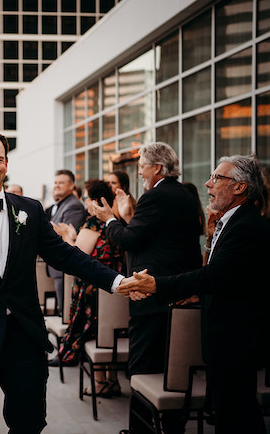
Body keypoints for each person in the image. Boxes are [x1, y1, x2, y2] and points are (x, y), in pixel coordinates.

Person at [0, 130, 128, 434]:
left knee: (30, 422)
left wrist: (116, 281)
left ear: (5, 164)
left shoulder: (29, 209)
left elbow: (65, 256)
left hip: (23, 338)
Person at [119, 154, 270, 434]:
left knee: (239, 415)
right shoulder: (232, 221)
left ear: (239, 188)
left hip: (237, 339)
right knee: (231, 412)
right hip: (225, 337)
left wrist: (158, 285)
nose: (207, 184)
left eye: (217, 178)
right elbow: (227, 277)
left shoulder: (248, 226)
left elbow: (215, 275)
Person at [93, 142, 203, 434]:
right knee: (172, 372)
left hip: (152, 297)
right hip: (176, 294)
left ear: (157, 168)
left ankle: (141, 429)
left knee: (142, 368)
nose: (139, 170)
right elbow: (151, 239)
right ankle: (168, 428)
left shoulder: (156, 196)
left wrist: (111, 220)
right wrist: (128, 217)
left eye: (141, 165)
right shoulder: (184, 195)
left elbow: (128, 240)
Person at [52, 179, 124, 397]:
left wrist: (68, 238)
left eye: (85, 198)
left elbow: (78, 257)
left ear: (94, 201)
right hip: (114, 284)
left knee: (92, 333)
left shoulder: (93, 223)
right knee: (107, 333)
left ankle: (100, 382)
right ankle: (111, 380)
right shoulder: (117, 223)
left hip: (93, 287)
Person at [45, 169, 88, 316]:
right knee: (62, 310)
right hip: (57, 267)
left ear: (72, 186)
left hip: (64, 267)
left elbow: (67, 235)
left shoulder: (73, 206)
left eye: (61, 183)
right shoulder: (62, 204)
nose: (57, 186)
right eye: (55, 182)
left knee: (66, 312)